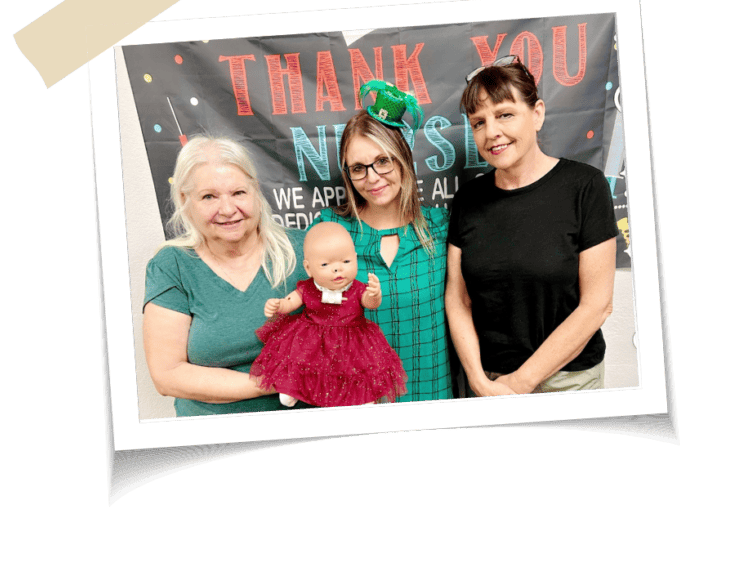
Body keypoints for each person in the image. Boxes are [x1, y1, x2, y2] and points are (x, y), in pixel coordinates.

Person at [446, 55, 618, 396]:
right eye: (478, 122)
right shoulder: (468, 199)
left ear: (536, 114)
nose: (491, 132)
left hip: (570, 383)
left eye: (504, 114)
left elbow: (597, 304)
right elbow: (458, 298)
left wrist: (520, 383)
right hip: (489, 381)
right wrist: (479, 381)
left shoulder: (585, 186)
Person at [142, 136, 308, 418]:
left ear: (255, 191)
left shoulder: (305, 250)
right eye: (209, 196)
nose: (228, 210)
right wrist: (276, 381)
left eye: (238, 193)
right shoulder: (171, 266)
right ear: (185, 201)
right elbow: (167, 375)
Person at [315, 81, 453, 403]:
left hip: (431, 400)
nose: (373, 177)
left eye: (383, 161)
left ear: (402, 158)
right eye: (358, 168)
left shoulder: (439, 228)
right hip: (356, 406)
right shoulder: (330, 229)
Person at [249, 221, 407, 408]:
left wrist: (374, 295)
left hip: (352, 339)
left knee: (356, 371)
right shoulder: (308, 288)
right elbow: (291, 301)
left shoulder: (356, 288)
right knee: (301, 363)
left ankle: (363, 397)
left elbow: (369, 303)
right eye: (325, 264)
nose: (337, 269)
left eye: (346, 261)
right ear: (308, 268)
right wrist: (279, 305)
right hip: (312, 339)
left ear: (355, 259)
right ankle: (293, 388)